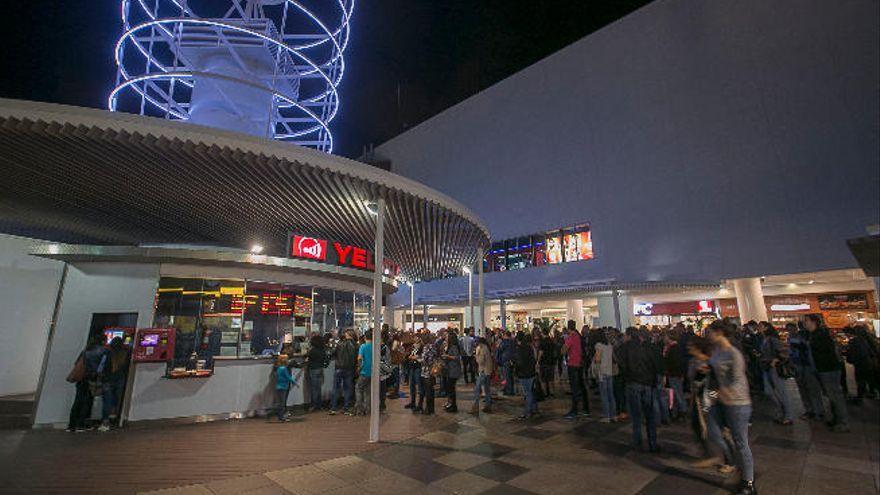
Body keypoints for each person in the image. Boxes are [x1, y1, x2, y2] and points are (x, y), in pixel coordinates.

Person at [706, 321, 756, 495]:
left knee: (741, 442)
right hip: (719, 401)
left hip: (737, 402)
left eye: (710, 332)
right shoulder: (717, 350)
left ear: (719, 332)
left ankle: (748, 482)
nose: (708, 335)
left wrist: (720, 393)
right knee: (712, 431)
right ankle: (732, 459)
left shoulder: (734, 353)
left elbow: (737, 379)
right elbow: (713, 374)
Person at [805, 314, 850, 432]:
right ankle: (836, 419)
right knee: (831, 395)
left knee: (835, 395)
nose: (805, 323)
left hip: (828, 369)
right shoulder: (814, 334)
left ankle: (843, 422)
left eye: (807, 320)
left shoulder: (821, 334)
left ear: (814, 322)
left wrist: (809, 346)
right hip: (822, 369)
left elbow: (824, 351)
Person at [619, 327, 659, 452]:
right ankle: (652, 443)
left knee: (636, 416)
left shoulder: (627, 347)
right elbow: (656, 364)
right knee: (649, 416)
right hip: (647, 383)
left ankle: (638, 443)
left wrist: (627, 374)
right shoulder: (651, 347)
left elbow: (620, 360)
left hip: (633, 382)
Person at [66, 337, 107, 432]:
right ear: (103, 341)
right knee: (87, 401)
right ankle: (81, 424)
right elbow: (102, 366)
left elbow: (76, 363)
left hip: (81, 378)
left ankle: (71, 425)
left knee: (78, 400)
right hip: (92, 378)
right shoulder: (103, 351)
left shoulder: (85, 351)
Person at [758, 322, 794, 425]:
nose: (759, 328)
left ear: (766, 328)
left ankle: (788, 415)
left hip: (775, 368)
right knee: (768, 391)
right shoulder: (764, 339)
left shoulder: (772, 339)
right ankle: (781, 410)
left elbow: (784, 351)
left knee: (781, 391)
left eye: (761, 326)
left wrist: (776, 360)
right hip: (766, 367)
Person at [787, 322, 824, 420]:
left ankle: (819, 410)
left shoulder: (804, 336)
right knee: (802, 389)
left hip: (808, 365)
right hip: (797, 365)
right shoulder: (790, 339)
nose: (791, 331)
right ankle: (809, 410)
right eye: (789, 329)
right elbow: (790, 352)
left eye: (792, 329)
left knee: (813, 389)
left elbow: (809, 348)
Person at [98, 337, 130, 431]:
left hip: (107, 379)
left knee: (107, 401)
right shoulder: (125, 354)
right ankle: (115, 419)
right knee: (117, 399)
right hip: (120, 379)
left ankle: (105, 421)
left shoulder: (107, 353)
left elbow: (101, 367)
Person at [562, 320, 588, 419]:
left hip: (573, 364)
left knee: (574, 388)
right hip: (580, 363)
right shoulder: (578, 336)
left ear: (568, 328)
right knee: (581, 386)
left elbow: (563, 350)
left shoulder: (571, 337)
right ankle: (586, 408)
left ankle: (574, 410)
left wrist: (564, 349)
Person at [846, 324, 879, 400]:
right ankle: (872, 393)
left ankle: (861, 396)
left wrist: (850, 359)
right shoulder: (869, 338)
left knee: (861, 380)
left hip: (861, 363)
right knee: (870, 379)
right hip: (870, 362)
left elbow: (853, 354)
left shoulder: (856, 341)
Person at [329, 330, 357, 415]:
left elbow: (332, 353)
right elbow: (355, 357)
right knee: (347, 388)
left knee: (336, 388)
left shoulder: (339, 343)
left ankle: (333, 408)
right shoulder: (355, 345)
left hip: (338, 368)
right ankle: (346, 407)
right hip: (349, 369)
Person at [663, 332, 687, 421]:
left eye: (665, 337)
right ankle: (678, 411)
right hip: (675, 374)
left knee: (677, 393)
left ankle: (682, 412)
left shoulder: (673, 348)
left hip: (674, 374)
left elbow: (675, 363)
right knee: (676, 393)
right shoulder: (673, 347)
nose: (664, 338)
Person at [593, 331, 616, 422]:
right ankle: (613, 415)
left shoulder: (599, 345)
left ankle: (606, 416)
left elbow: (598, 360)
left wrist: (597, 372)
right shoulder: (609, 345)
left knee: (604, 395)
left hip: (602, 372)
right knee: (611, 394)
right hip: (609, 372)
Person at [514, 331, 538, 419]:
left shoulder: (519, 349)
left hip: (523, 373)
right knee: (531, 391)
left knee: (527, 393)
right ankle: (534, 408)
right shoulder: (529, 347)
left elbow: (519, 362)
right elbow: (533, 359)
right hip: (531, 372)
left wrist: (516, 369)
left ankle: (528, 411)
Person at [471, 336, 494, 414]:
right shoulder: (486, 347)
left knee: (477, 389)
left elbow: (480, 361)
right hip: (488, 370)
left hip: (484, 371)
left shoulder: (481, 349)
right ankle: (488, 405)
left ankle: (475, 407)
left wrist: (476, 356)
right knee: (487, 389)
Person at [306, 335, 328, 412]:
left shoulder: (312, 351)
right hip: (320, 369)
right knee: (318, 388)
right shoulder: (323, 350)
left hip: (313, 370)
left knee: (313, 388)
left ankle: (313, 405)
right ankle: (319, 405)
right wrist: (325, 365)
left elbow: (307, 358)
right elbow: (326, 358)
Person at [442, 332, 463, 413]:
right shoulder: (449, 346)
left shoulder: (454, 347)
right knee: (450, 388)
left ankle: (453, 406)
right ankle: (451, 404)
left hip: (454, 370)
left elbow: (457, 357)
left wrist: (447, 356)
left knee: (451, 388)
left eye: (447, 337)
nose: (446, 338)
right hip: (450, 369)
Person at [355, 331, 373, 416]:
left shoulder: (363, 346)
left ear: (365, 337)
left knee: (358, 389)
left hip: (364, 371)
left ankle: (359, 409)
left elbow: (360, 358)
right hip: (372, 372)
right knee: (368, 391)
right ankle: (367, 409)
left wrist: (358, 368)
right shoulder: (375, 347)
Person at [418, 333, 437, 415]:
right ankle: (431, 408)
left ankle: (428, 409)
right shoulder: (433, 346)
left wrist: (417, 358)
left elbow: (424, 360)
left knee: (428, 391)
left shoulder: (426, 347)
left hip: (426, 371)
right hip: (432, 371)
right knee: (431, 391)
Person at [539, 330, 557, 398]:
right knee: (551, 378)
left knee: (543, 379)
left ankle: (546, 393)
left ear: (543, 334)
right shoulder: (552, 341)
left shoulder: (542, 342)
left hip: (544, 362)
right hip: (551, 362)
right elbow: (555, 351)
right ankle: (552, 393)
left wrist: (538, 361)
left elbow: (541, 352)